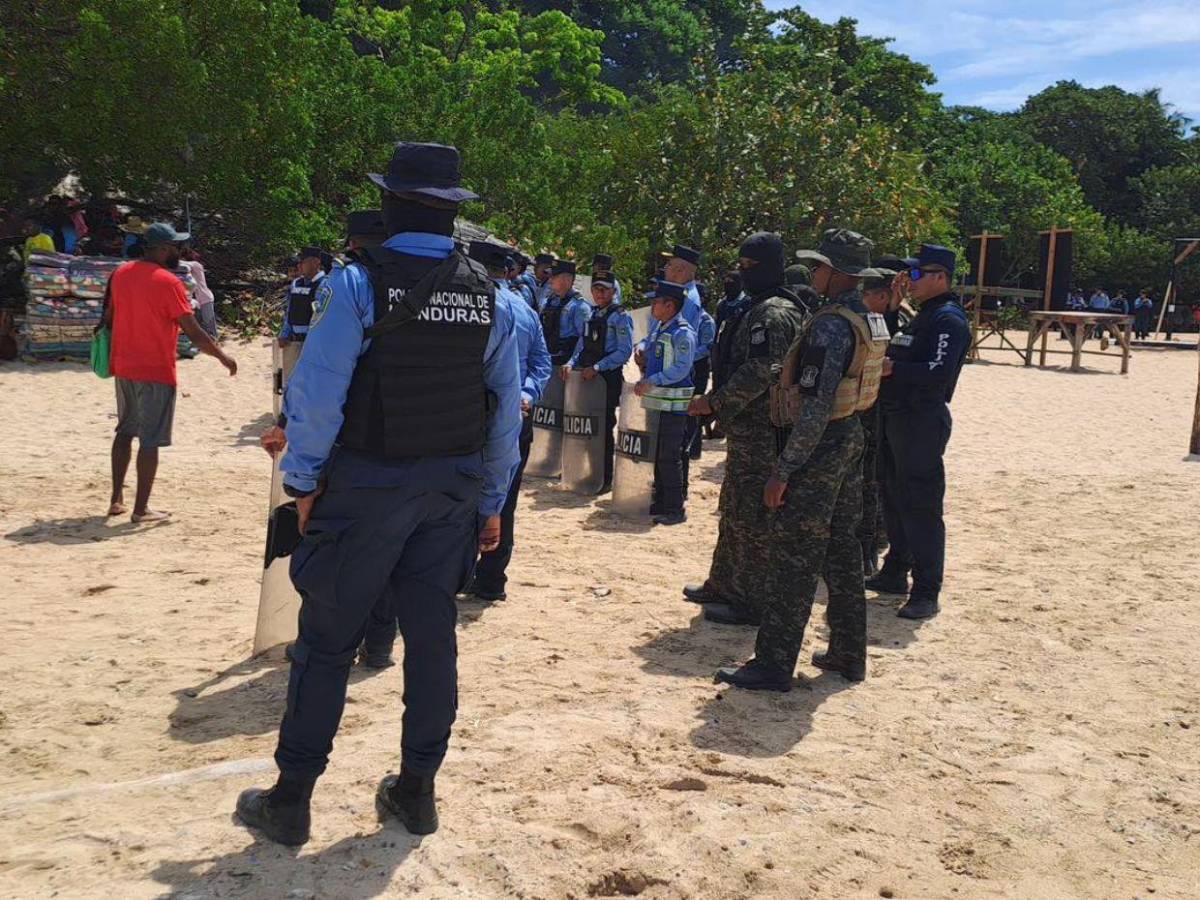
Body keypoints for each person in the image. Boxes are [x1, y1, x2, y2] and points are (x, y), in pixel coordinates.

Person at [235, 141, 521, 847]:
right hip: (449, 492)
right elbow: (506, 410)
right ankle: (416, 792)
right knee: (432, 645)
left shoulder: (355, 283)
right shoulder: (497, 297)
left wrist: (301, 484)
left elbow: (317, 395)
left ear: (391, 202)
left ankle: (292, 800)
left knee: (326, 646)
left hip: (367, 484)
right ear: (454, 212)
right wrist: (490, 503)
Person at [716, 229, 888, 691]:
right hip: (851, 435)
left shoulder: (831, 324)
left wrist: (784, 469)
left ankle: (774, 662)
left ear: (836, 272)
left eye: (819, 267)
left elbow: (815, 404)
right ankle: (848, 653)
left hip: (822, 443)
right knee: (842, 551)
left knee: (794, 555)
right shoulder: (868, 317)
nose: (813, 274)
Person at [682, 233, 808, 625]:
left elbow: (760, 371)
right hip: (747, 428)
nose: (742, 272)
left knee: (753, 515)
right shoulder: (756, 306)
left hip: (765, 429)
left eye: (751, 266)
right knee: (734, 507)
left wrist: (714, 403)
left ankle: (750, 599)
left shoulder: (773, 313)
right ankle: (723, 583)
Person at [99, 222, 237, 523]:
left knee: (124, 431)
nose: (180, 251)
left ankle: (115, 500)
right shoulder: (168, 282)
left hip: (123, 365)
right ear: (160, 249)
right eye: (175, 247)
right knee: (150, 440)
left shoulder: (121, 273)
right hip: (155, 369)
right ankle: (141, 509)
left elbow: (109, 317)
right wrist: (223, 357)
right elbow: (194, 331)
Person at [866, 245, 970, 620]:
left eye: (915, 275)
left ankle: (927, 589)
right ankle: (896, 569)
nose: (907, 281)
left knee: (921, 505)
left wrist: (896, 370)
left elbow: (938, 371)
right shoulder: (920, 316)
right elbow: (894, 344)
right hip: (897, 416)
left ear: (939, 277)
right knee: (893, 495)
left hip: (922, 419)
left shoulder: (948, 319)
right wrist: (893, 308)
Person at [458, 241, 552, 603]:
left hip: (470, 415)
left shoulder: (472, 303)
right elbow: (542, 362)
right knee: (503, 498)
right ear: (506, 270)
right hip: (516, 416)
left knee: (461, 495)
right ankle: (492, 579)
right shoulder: (525, 309)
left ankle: (460, 573)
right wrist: (526, 395)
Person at [561, 270, 634, 491]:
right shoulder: (592, 314)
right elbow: (582, 345)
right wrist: (571, 363)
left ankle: (605, 478)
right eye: (596, 289)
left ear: (613, 291)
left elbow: (624, 351)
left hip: (606, 379)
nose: (599, 293)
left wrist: (598, 367)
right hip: (586, 378)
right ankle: (589, 475)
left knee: (603, 430)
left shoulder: (620, 316)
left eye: (604, 289)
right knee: (587, 428)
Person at [635, 281, 696, 526]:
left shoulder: (683, 333)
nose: (652, 306)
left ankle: (674, 508)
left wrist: (654, 380)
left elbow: (681, 368)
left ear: (669, 305)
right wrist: (640, 349)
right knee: (658, 455)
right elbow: (649, 344)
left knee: (669, 457)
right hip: (657, 404)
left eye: (656, 302)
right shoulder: (661, 328)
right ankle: (660, 500)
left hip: (673, 406)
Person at [857, 266, 899, 575]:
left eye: (866, 294)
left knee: (869, 483)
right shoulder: (884, 318)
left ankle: (867, 550)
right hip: (872, 412)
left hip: (875, 414)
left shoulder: (880, 321)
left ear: (881, 296)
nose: (862, 300)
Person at [539, 259, 590, 366]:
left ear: (568, 280)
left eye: (554, 277)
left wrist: (571, 362)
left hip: (564, 364)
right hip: (545, 360)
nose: (550, 280)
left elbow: (585, 339)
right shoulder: (549, 301)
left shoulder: (580, 307)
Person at [278, 248, 326, 347]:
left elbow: (321, 316)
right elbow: (290, 310)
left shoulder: (324, 283)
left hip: (313, 341)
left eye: (303, 262)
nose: (299, 266)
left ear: (316, 262)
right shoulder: (296, 283)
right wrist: (284, 333)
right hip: (294, 339)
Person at [686, 305, 716, 459]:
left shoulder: (706, 321)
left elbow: (707, 347)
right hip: (687, 368)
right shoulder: (686, 319)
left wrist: (688, 357)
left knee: (695, 408)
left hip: (699, 368)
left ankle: (694, 450)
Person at [179, 246, 218, 339]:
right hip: (195, 299)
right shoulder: (186, 268)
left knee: (209, 322)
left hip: (205, 298)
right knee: (198, 323)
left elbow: (184, 264)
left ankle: (214, 340)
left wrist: (172, 259)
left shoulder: (195, 264)